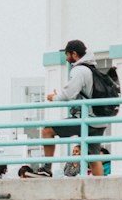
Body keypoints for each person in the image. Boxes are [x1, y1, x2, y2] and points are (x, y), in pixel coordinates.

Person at [29, 39, 105, 177]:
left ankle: (46, 169)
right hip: (99, 119)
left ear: (74, 54)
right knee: (93, 158)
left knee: (47, 131)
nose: (66, 58)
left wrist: (54, 97)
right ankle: (100, 188)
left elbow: (69, 94)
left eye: (67, 54)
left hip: (86, 119)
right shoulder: (92, 68)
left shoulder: (79, 70)